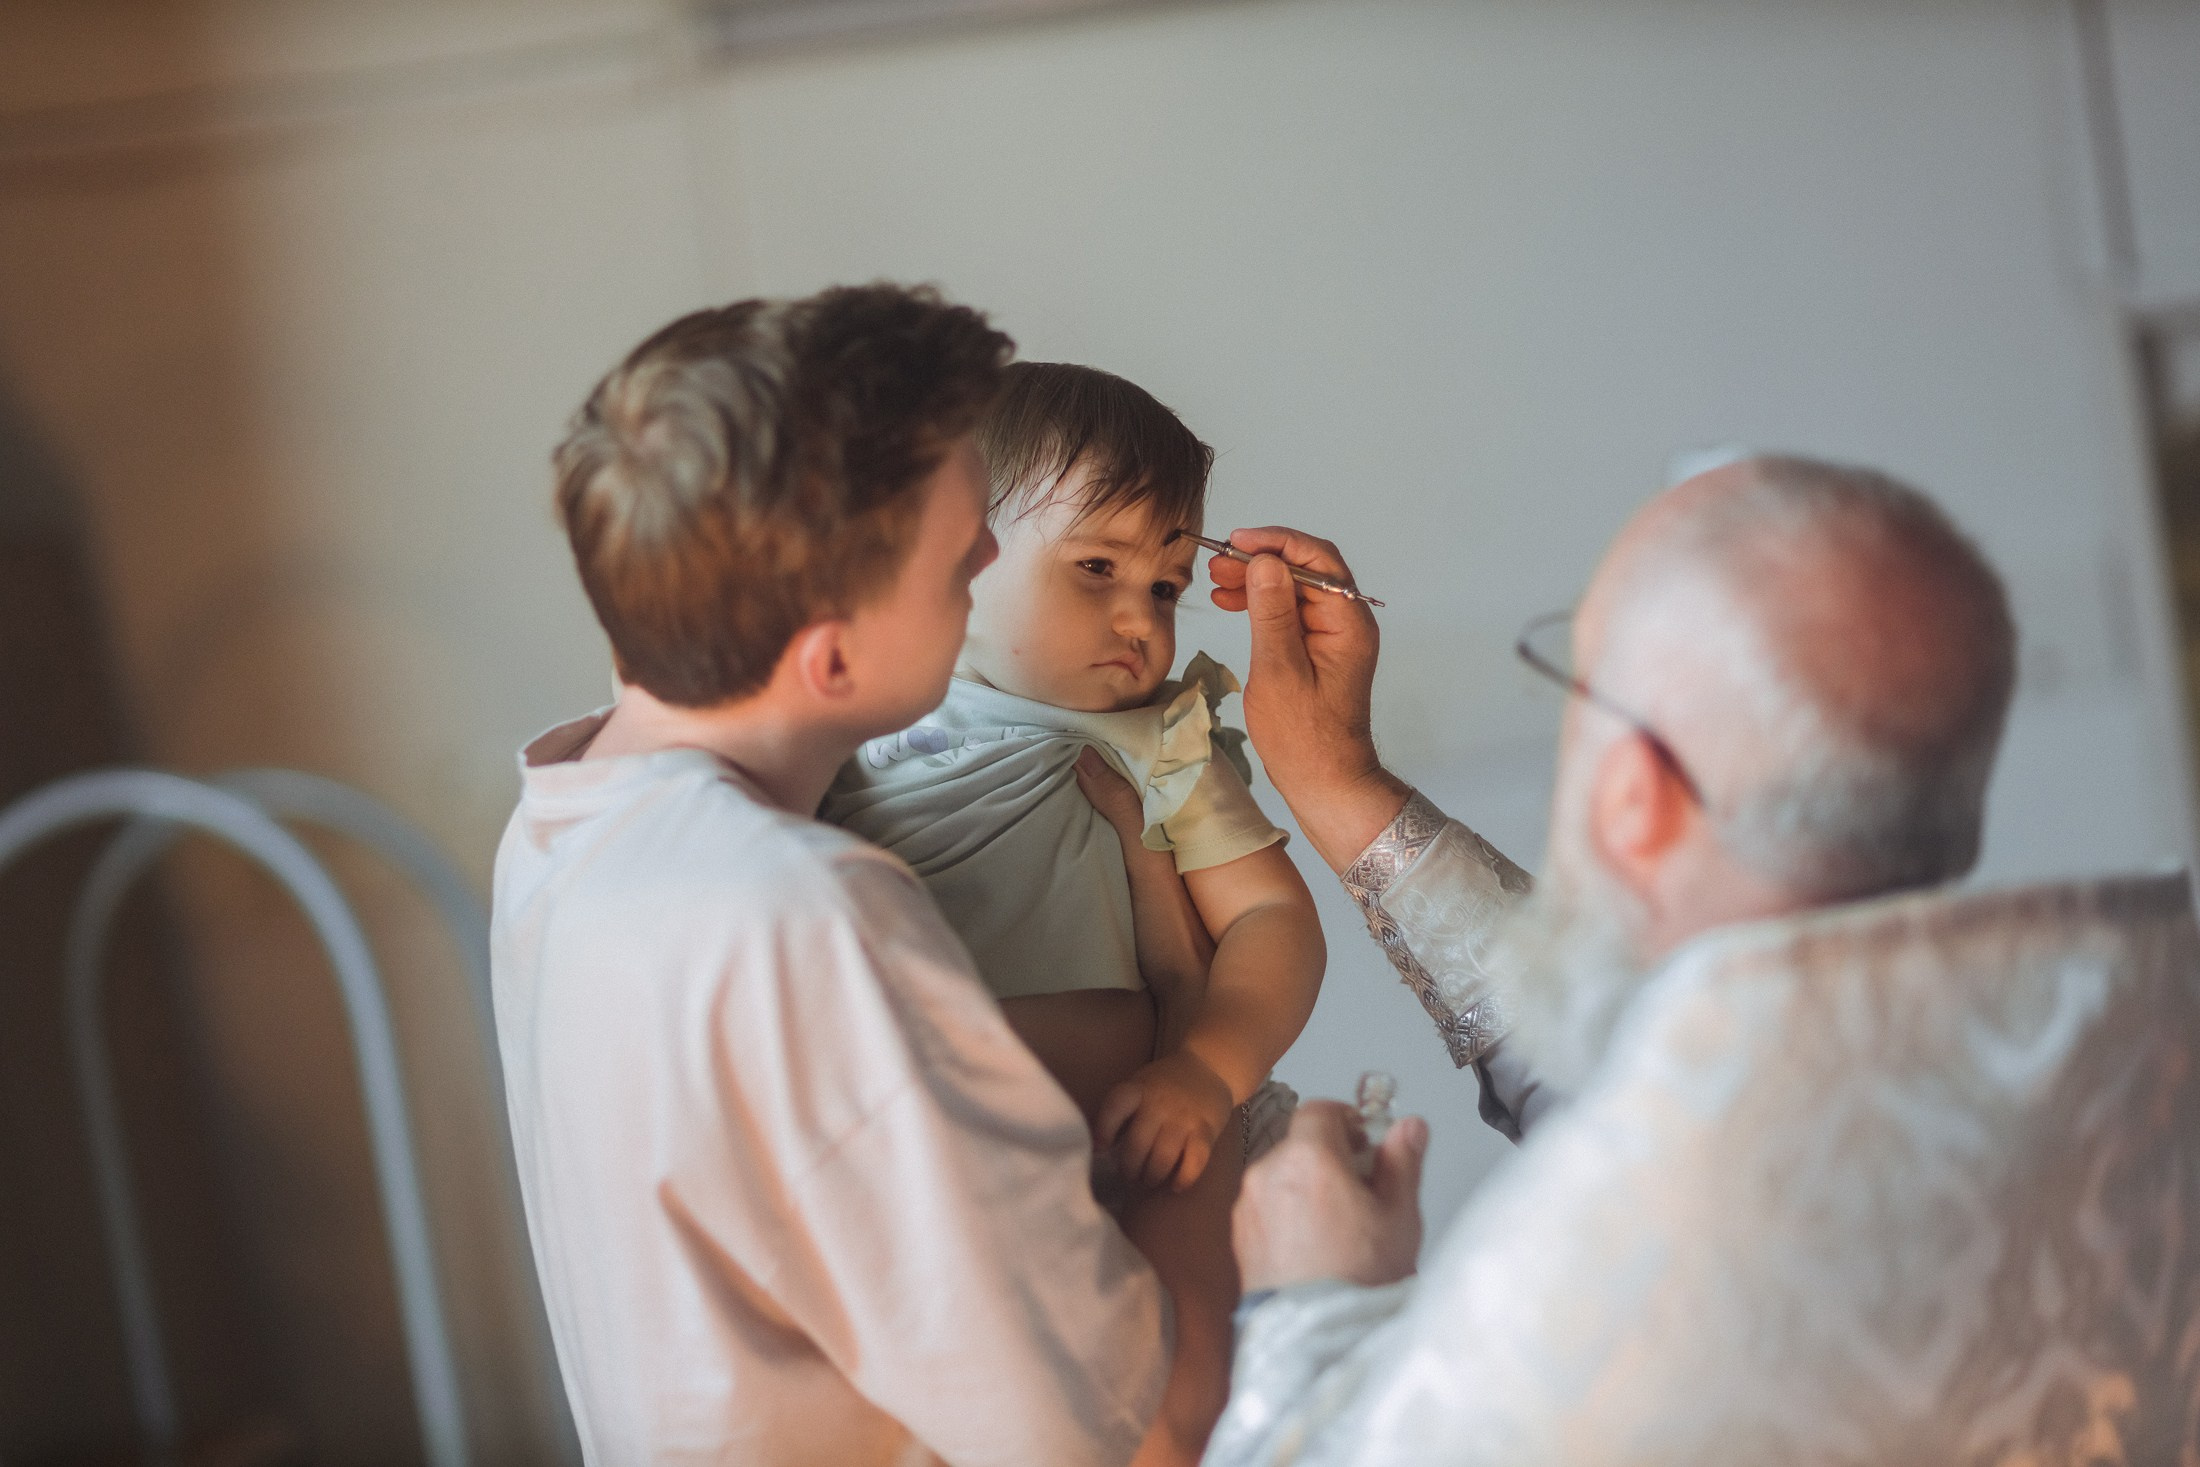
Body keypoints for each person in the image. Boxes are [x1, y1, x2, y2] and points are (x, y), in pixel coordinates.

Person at [1195, 456, 2200, 1462]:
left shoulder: (1581, 1287)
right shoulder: (2130, 1063)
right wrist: (1339, 784)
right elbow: (1659, 1072)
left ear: (1635, 797)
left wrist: (1310, 1309)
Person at [489, 288, 1175, 1467]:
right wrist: (1295, 1235)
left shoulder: (563, 817)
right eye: (957, 559)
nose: (991, 552)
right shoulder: (800, 913)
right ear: (832, 654)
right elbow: (1101, 1426)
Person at [824, 361, 1324, 1466]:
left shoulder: (1161, 741)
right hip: (953, 1189)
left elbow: (1272, 925)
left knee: (1191, 1408)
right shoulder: (851, 730)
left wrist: (1208, 1068)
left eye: (1165, 585)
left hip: (1147, 1146)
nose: (1137, 618)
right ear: (941, 558)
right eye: (1094, 566)